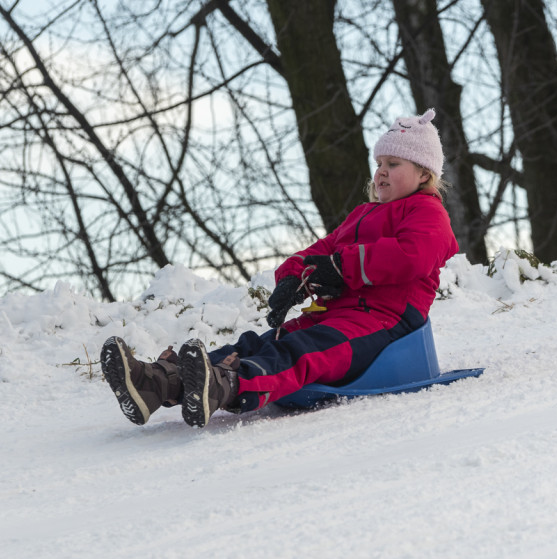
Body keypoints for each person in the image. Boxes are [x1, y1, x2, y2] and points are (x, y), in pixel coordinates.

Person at [101, 109, 458, 428]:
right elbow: (319, 251)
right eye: (379, 163)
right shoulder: (361, 215)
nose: (381, 173)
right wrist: (292, 278)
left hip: (384, 321)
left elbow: (414, 255)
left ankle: (228, 385)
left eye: (393, 165)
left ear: (424, 173)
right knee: (258, 342)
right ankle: (159, 381)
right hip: (336, 315)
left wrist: (339, 267)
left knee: (303, 350)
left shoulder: (427, 212)